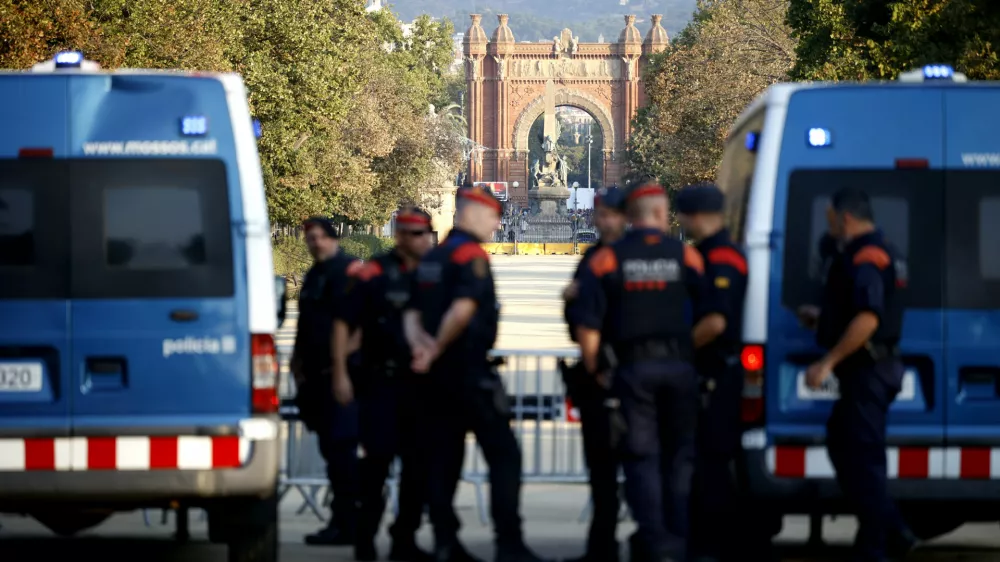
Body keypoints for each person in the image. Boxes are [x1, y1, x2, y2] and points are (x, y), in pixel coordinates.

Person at [568, 181, 718, 562]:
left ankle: (655, 542)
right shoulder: (687, 257)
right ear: (659, 212)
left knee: (642, 458)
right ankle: (678, 537)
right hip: (680, 370)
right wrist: (684, 347)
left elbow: (587, 327)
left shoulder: (608, 259)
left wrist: (596, 368)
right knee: (679, 457)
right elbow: (714, 320)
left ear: (631, 216)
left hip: (632, 372)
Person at [404, 185, 551, 562]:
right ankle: (509, 543)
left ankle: (445, 542)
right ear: (472, 214)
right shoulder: (471, 257)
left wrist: (421, 347)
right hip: (467, 374)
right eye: (493, 216)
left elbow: (411, 313)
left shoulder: (433, 258)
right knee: (504, 457)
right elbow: (464, 309)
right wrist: (436, 346)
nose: (497, 224)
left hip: (434, 379)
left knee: (444, 461)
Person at [804, 188, 917, 561]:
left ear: (845, 218)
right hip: (872, 368)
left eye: (831, 220)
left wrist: (827, 363)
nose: (830, 227)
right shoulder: (876, 251)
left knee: (864, 460)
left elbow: (869, 318)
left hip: (869, 370)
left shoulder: (868, 256)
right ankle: (891, 532)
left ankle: (880, 544)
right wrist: (824, 320)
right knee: (843, 442)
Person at [332, 207, 437, 561]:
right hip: (379, 386)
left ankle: (403, 540)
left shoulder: (431, 273)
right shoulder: (374, 273)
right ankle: (365, 543)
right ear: (403, 236)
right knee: (375, 469)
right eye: (419, 234)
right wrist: (340, 373)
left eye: (428, 233)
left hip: (419, 388)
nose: (426, 240)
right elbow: (344, 325)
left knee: (417, 471)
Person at [673, 183, 748, 562]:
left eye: (683, 214)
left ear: (697, 216)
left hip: (717, 374)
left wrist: (677, 350)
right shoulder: (705, 253)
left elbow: (715, 322)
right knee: (703, 461)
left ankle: (713, 547)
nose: (681, 220)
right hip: (706, 373)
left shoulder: (722, 257)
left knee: (713, 462)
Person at [560, 186, 629, 562]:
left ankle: (606, 547)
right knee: (621, 468)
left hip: (609, 376)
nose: (602, 221)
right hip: (639, 376)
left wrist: (594, 369)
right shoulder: (646, 256)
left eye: (610, 214)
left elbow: (585, 322)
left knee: (611, 467)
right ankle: (638, 541)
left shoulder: (600, 260)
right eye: (599, 214)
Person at [290, 217, 362, 546]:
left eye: (320, 237)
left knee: (342, 451)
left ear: (332, 238)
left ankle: (348, 523)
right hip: (316, 378)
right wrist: (296, 361)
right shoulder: (314, 274)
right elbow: (306, 323)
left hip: (341, 377)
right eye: (310, 238)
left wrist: (340, 369)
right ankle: (342, 521)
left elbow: (358, 328)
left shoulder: (347, 271)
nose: (314, 243)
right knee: (332, 452)